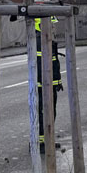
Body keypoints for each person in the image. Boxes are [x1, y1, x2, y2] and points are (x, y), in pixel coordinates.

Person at [35, 17, 62, 154]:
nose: (53, 27)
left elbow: (54, 64)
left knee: (50, 112)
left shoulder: (47, 41)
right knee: (43, 112)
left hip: (49, 84)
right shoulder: (41, 42)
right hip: (43, 86)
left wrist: (57, 81)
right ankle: (41, 142)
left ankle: (48, 139)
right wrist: (45, 84)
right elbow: (40, 66)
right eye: (51, 25)